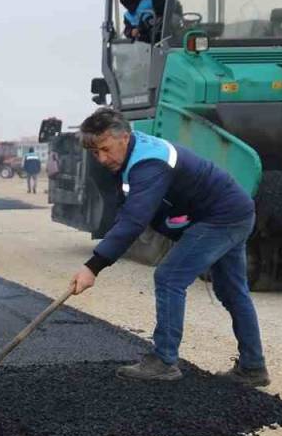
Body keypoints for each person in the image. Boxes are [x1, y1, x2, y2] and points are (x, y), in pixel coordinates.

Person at [68, 107, 268, 386]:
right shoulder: (131, 155)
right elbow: (128, 209)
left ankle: (164, 361)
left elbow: (134, 220)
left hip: (221, 218)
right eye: (95, 153)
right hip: (232, 212)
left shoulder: (149, 162)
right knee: (232, 291)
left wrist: (93, 267)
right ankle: (253, 368)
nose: (102, 158)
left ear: (124, 137)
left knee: (169, 276)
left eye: (105, 149)